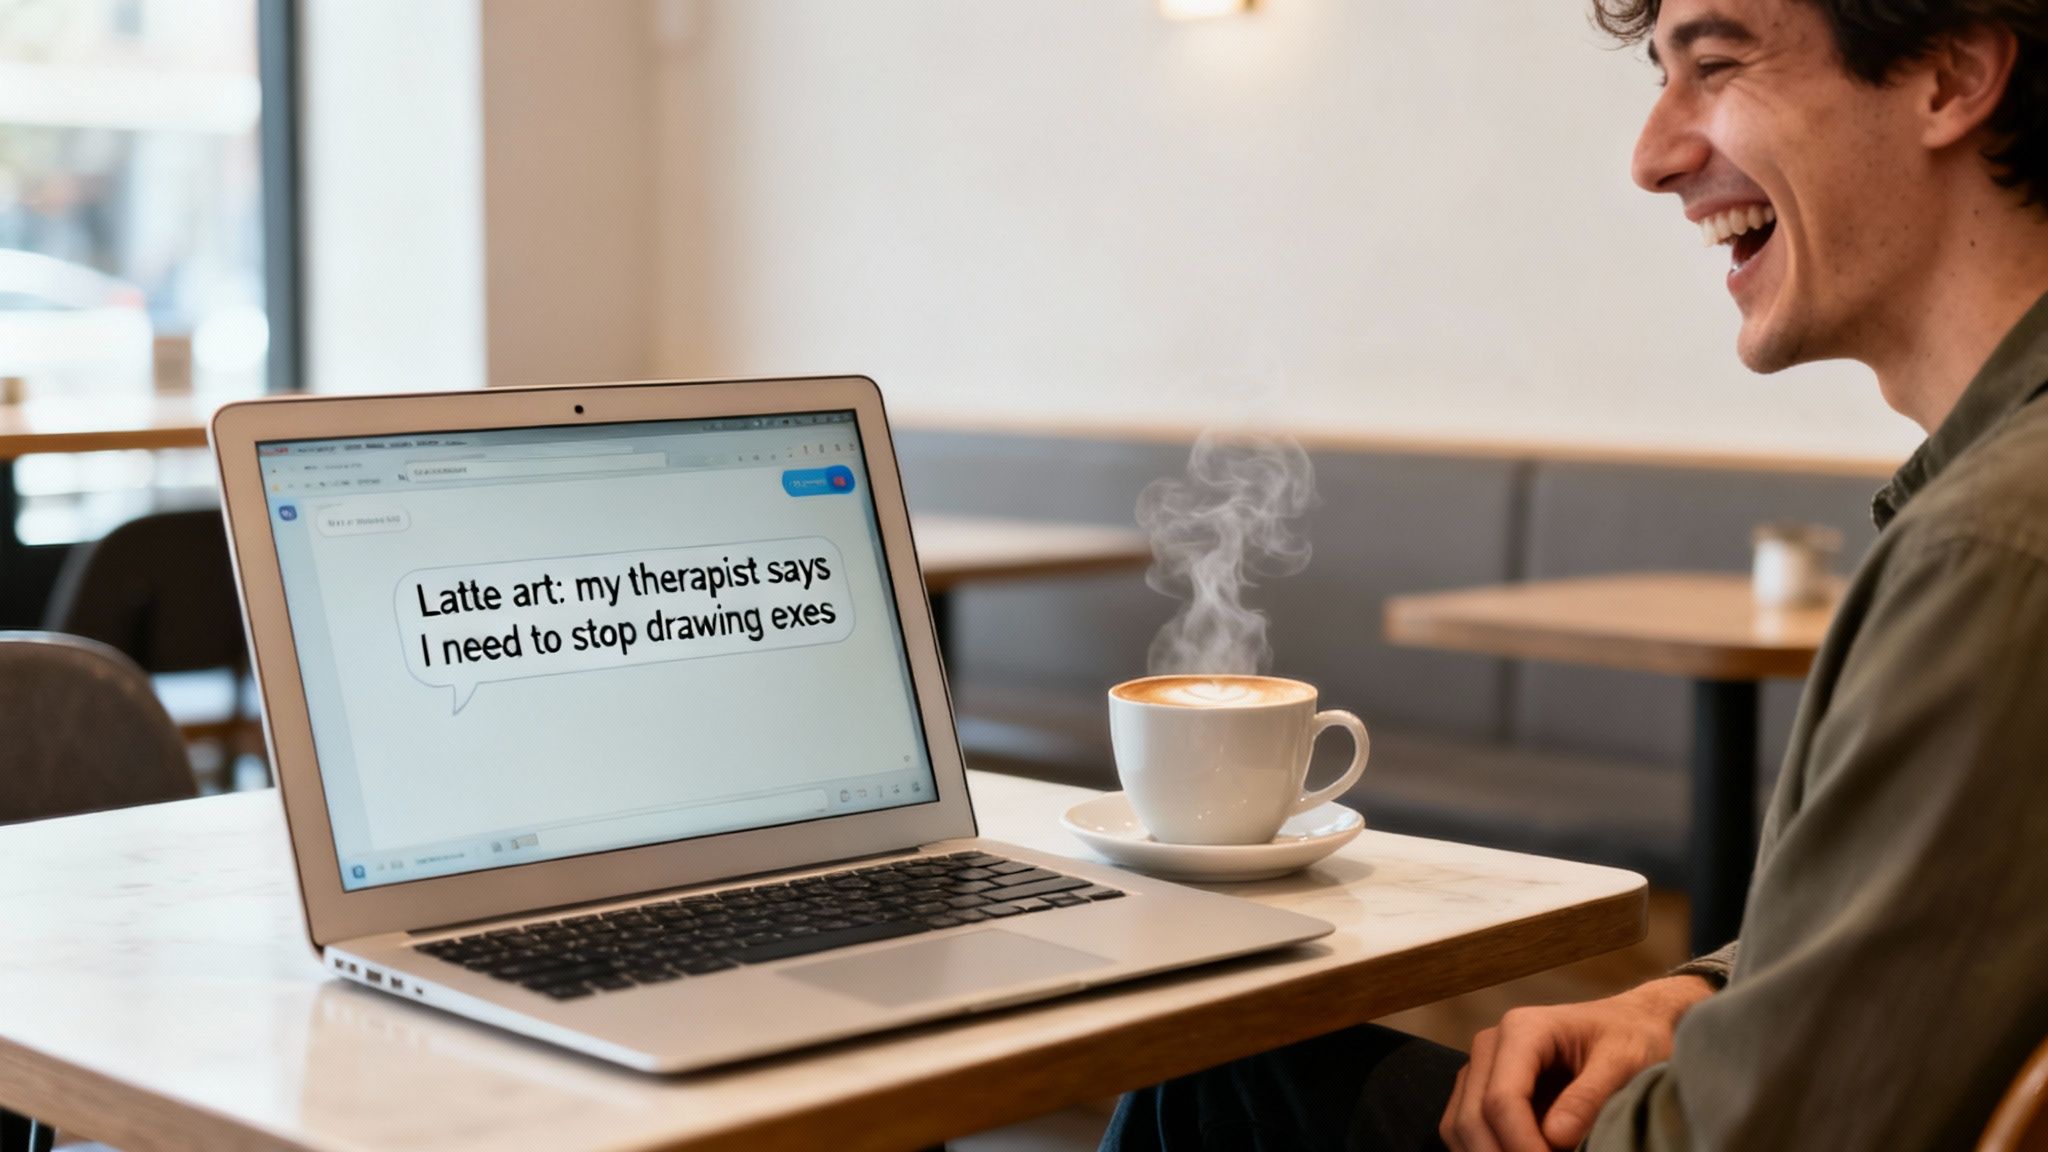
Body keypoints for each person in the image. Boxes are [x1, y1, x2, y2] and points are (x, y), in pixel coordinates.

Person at [1102, 0, 2048, 1148]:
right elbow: (1957, 927)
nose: (1652, 156)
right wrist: (1694, 997)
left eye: (1714, 63)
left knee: (1217, 1084)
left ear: (1947, 79)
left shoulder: (1990, 553)